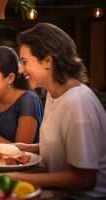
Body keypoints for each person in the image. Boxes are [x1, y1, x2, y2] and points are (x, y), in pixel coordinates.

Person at [8, 23, 106, 199]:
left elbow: (85, 179)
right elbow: (60, 145)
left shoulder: (78, 103)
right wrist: (24, 148)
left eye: (24, 62)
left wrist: (18, 177)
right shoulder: (54, 93)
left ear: (47, 61)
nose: (21, 70)